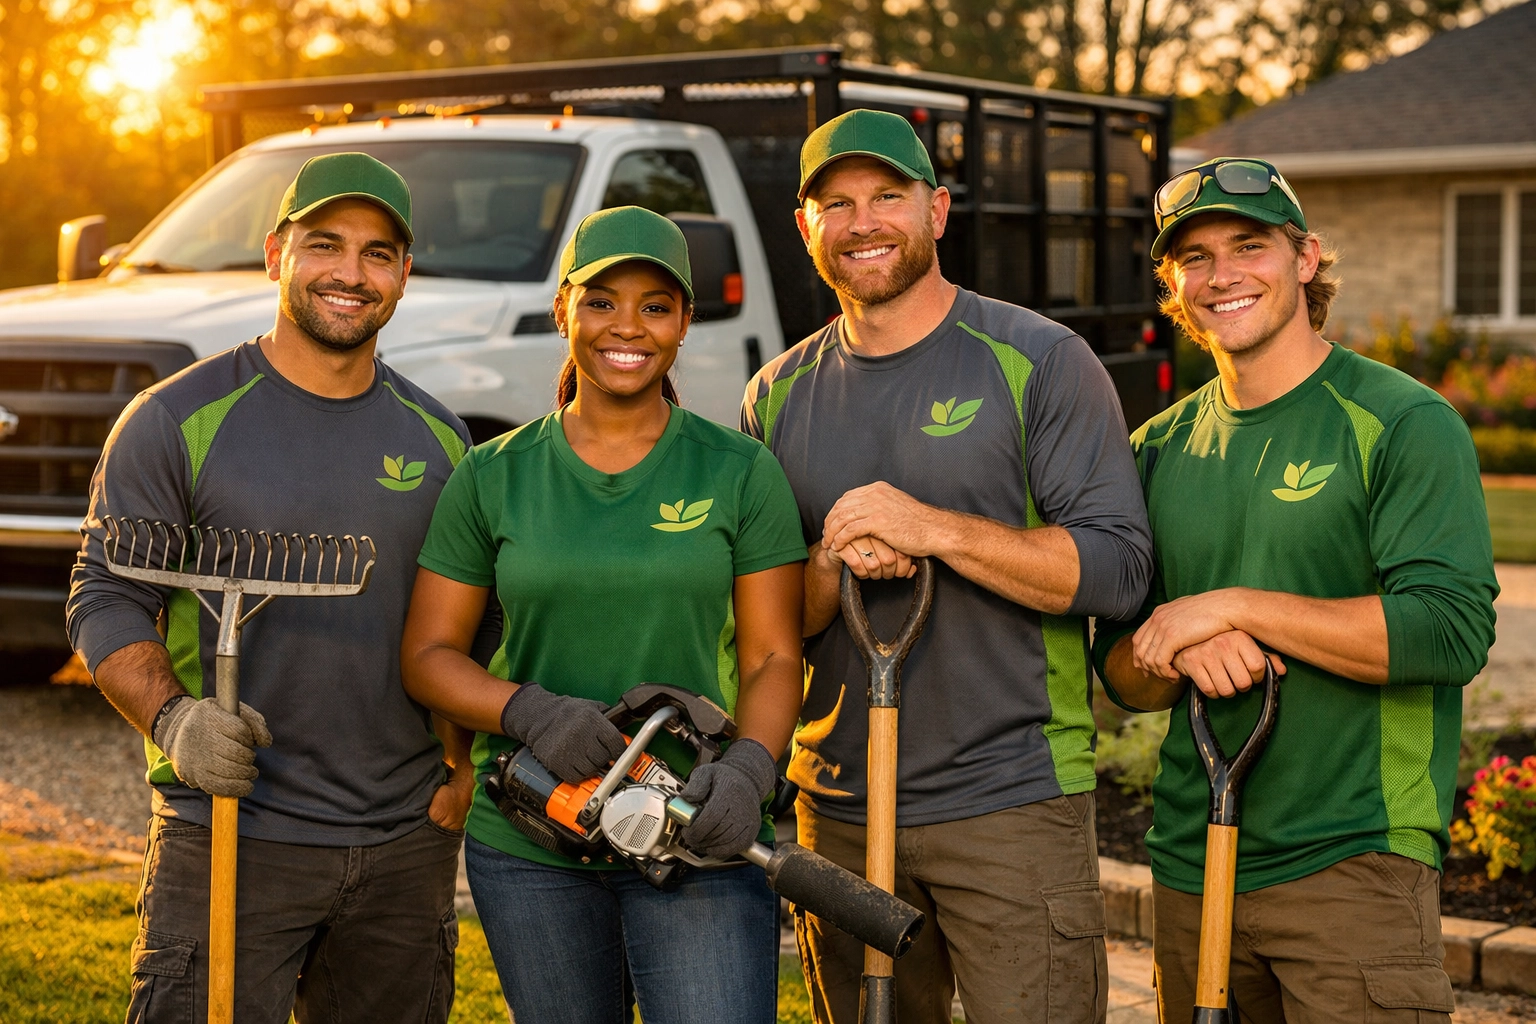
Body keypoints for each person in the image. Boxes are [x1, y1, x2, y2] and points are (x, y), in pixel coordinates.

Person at [741, 109, 1154, 1024]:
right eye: (835, 203)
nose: (862, 222)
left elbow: (1119, 568)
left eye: (888, 195)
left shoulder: (1040, 361)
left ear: (938, 209)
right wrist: (829, 558)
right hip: (839, 810)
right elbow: (769, 621)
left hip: (1009, 803)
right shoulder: (776, 395)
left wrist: (936, 529)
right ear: (806, 228)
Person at [66, 152, 480, 1024]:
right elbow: (104, 594)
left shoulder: (441, 439)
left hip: (404, 846)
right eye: (324, 244)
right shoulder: (177, 419)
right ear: (274, 254)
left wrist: (459, 767)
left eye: (378, 253)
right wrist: (173, 718)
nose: (350, 273)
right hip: (230, 831)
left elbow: (463, 622)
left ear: (404, 274)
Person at [1092, 157, 1499, 1022]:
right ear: (1172, 282)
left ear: (1306, 257)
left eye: (1250, 245)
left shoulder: (1400, 422)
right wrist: (1176, 641)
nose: (1222, 275)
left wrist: (1232, 605)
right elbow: (1121, 677)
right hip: (1192, 863)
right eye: (1193, 258)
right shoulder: (1155, 448)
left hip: (1352, 864)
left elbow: (1449, 633)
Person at [400, 205, 808, 1024]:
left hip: (698, 828)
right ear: (563, 312)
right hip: (533, 838)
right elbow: (429, 656)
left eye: (656, 306)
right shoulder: (493, 475)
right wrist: (530, 710)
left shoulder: (739, 472)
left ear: (685, 323)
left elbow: (773, 657)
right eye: (601, 301)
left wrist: (751, 770)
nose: (628, 327)